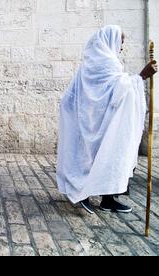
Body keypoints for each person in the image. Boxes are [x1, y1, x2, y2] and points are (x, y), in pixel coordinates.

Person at [56, 25, 157, 214]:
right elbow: (117, 91)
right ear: (110, 39)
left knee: (111, 156)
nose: (122, 47)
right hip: (93, 122)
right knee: (92, 158)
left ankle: (109, 199)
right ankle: (84, 194)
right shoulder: (105, 63)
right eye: (121, 41)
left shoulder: (99, 61)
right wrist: (141, 77)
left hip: (102, 120)